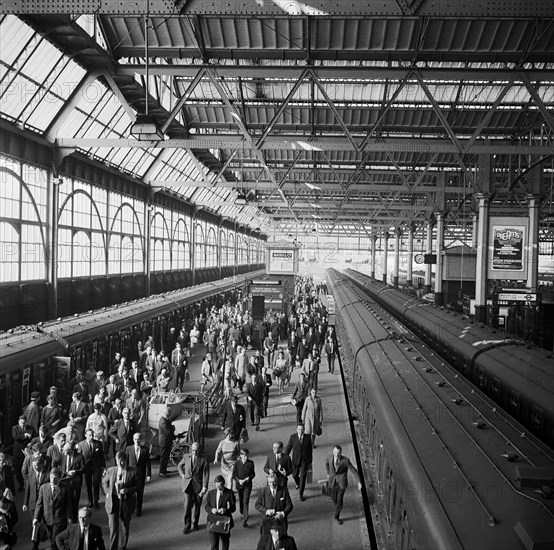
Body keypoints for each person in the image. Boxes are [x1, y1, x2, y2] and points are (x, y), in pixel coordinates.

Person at [102, 451, 137, 550]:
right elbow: (104, 481)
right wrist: (107, 492)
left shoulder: (133, 471)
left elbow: (138, 486)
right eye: (118, 462)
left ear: (126, 460)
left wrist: (128, 490)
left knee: (125, 527)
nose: (120, 464)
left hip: (126, 502)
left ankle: (123, 546)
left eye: (122, 462)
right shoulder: (111, 470)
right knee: (113, 528)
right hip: (113, 502)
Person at [34, 467, 71, 550]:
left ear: (59, 478)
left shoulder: (65, 488)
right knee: (52, 539)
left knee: (54, 541)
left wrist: (69, 518)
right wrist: (36, 518)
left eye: (55, 478)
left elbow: (68, 504)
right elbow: (39, 504)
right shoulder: (43, 488)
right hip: (47, 519)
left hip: (59, 519)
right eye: (51, 477)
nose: (53, 480)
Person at [325, 445, 362, 525]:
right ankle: (337, 504)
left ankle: (337, 516)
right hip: (332, 482)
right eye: (335, 452)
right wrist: (328, 473)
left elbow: (354, 471)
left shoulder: (345, 461)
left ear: (341, 453)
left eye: (338, 453)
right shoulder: (329, 457)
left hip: (342, 483)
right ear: (333, 452)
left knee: (340, 501)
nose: (336, 454)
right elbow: (327, 464)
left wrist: (359, 482)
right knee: (333, 498)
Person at [177, 441, 209, 534]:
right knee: (187, 506)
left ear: (199, 450)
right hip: (187, 485)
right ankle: (187, 525)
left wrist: (204, 487)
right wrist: (182, 474)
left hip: (198, 486)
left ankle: (195, 524)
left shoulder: (203, 459)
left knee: (197, 506)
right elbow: (179, 465)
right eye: (193, 450)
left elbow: (205, 473)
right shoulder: (186, 456)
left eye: (197, 450)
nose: (195, 452)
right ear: (191, 450)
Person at [205, 474, 236, 550]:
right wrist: (211, 510)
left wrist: (225, 510)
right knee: (214, 545)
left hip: (224, 521)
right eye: (216, 484)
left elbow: (233, 508)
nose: (218, 486)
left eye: (220, 485)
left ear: (223, 484)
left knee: (225, 543)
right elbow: (206, 507)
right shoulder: (210, 493)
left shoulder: (229, 493)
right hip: (213, 521)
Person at [78, 429, 106, 509]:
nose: (91, 437)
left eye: (92, 435)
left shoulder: (98, 444)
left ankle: (96, 500)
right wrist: (81, 467)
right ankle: (90, 500)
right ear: (85, 435)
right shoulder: (81, 445)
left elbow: (102, 456)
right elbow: (80, 457)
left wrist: (103, 467)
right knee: (88, 485)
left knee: (96, 484)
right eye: (89, 435)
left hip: (96, 467)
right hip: (86, 468)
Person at [284, 424, 312, 501]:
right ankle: (298, 483)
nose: (301, 431)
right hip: (296, 459)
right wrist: (284, 458)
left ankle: (300, 494)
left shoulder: (308, 438)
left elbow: (310, 450)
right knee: (294, 475)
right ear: (296, 430)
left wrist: (309, 462)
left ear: (304, 430)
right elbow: (288, 447)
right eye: (299, 429)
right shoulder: (293, 437)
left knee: (303, 476)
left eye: (302, 429)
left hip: (304, 460)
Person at [125, 433, 151, 517]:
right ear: (133, 439)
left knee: (140, 493)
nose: (137, 441)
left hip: (140, 474)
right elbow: (126, 462)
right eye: (135, 439)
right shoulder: (129, 449)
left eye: (138, 439)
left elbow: (148, 463)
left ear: (141, 440)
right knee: (130, 492)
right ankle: (130, 508)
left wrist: (148, 475)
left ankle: (138, 510)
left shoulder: (145, 450)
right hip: (130, 475)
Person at [60, 442, 85, 522]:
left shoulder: (79, 457)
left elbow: (83, 469)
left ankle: (74, 519)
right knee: (66, 500)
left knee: (74, 501)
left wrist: (76, 472)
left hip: (75, 483)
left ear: (70, 450)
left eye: (65, 450)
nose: (63, 452)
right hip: (65, 482)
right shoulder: (63, 456)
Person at [232, 447, 255, 528]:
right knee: (241, 500)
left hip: (247, 485)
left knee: (245, 501)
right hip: (239, 485)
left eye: (247, 456)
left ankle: (245, 519)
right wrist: (239, 480)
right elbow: (234, 475)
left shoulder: (251, 463)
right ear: (240, 456)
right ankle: (242, 512)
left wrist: (249, 478)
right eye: (244, 456)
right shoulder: (237, 463)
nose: (246, 457)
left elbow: (253, 474)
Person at [11, 415, 33, 491]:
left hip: (26, 453)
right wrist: (24, 435)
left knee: (27, 470)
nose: (22, 425)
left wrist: (31, 443)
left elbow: (33, 437)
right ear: (18, 422)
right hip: (17, 453)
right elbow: (15, 437)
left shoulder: (30, 428)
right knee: (18, 470)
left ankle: (28, 485)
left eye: (24, 423)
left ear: (26, 422)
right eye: (21, 423)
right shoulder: (14, 428)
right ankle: (21, 485)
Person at [158, 406, 175, 477]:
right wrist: (173, 429)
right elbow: (168, 432)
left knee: (166, 456)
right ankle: (161, 472)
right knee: (164, 457)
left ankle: (164, 470)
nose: (170, 414)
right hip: (164, 441)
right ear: (166, 413)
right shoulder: (163, 421)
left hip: (166, 441)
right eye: (169, 413)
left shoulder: (165, 419)